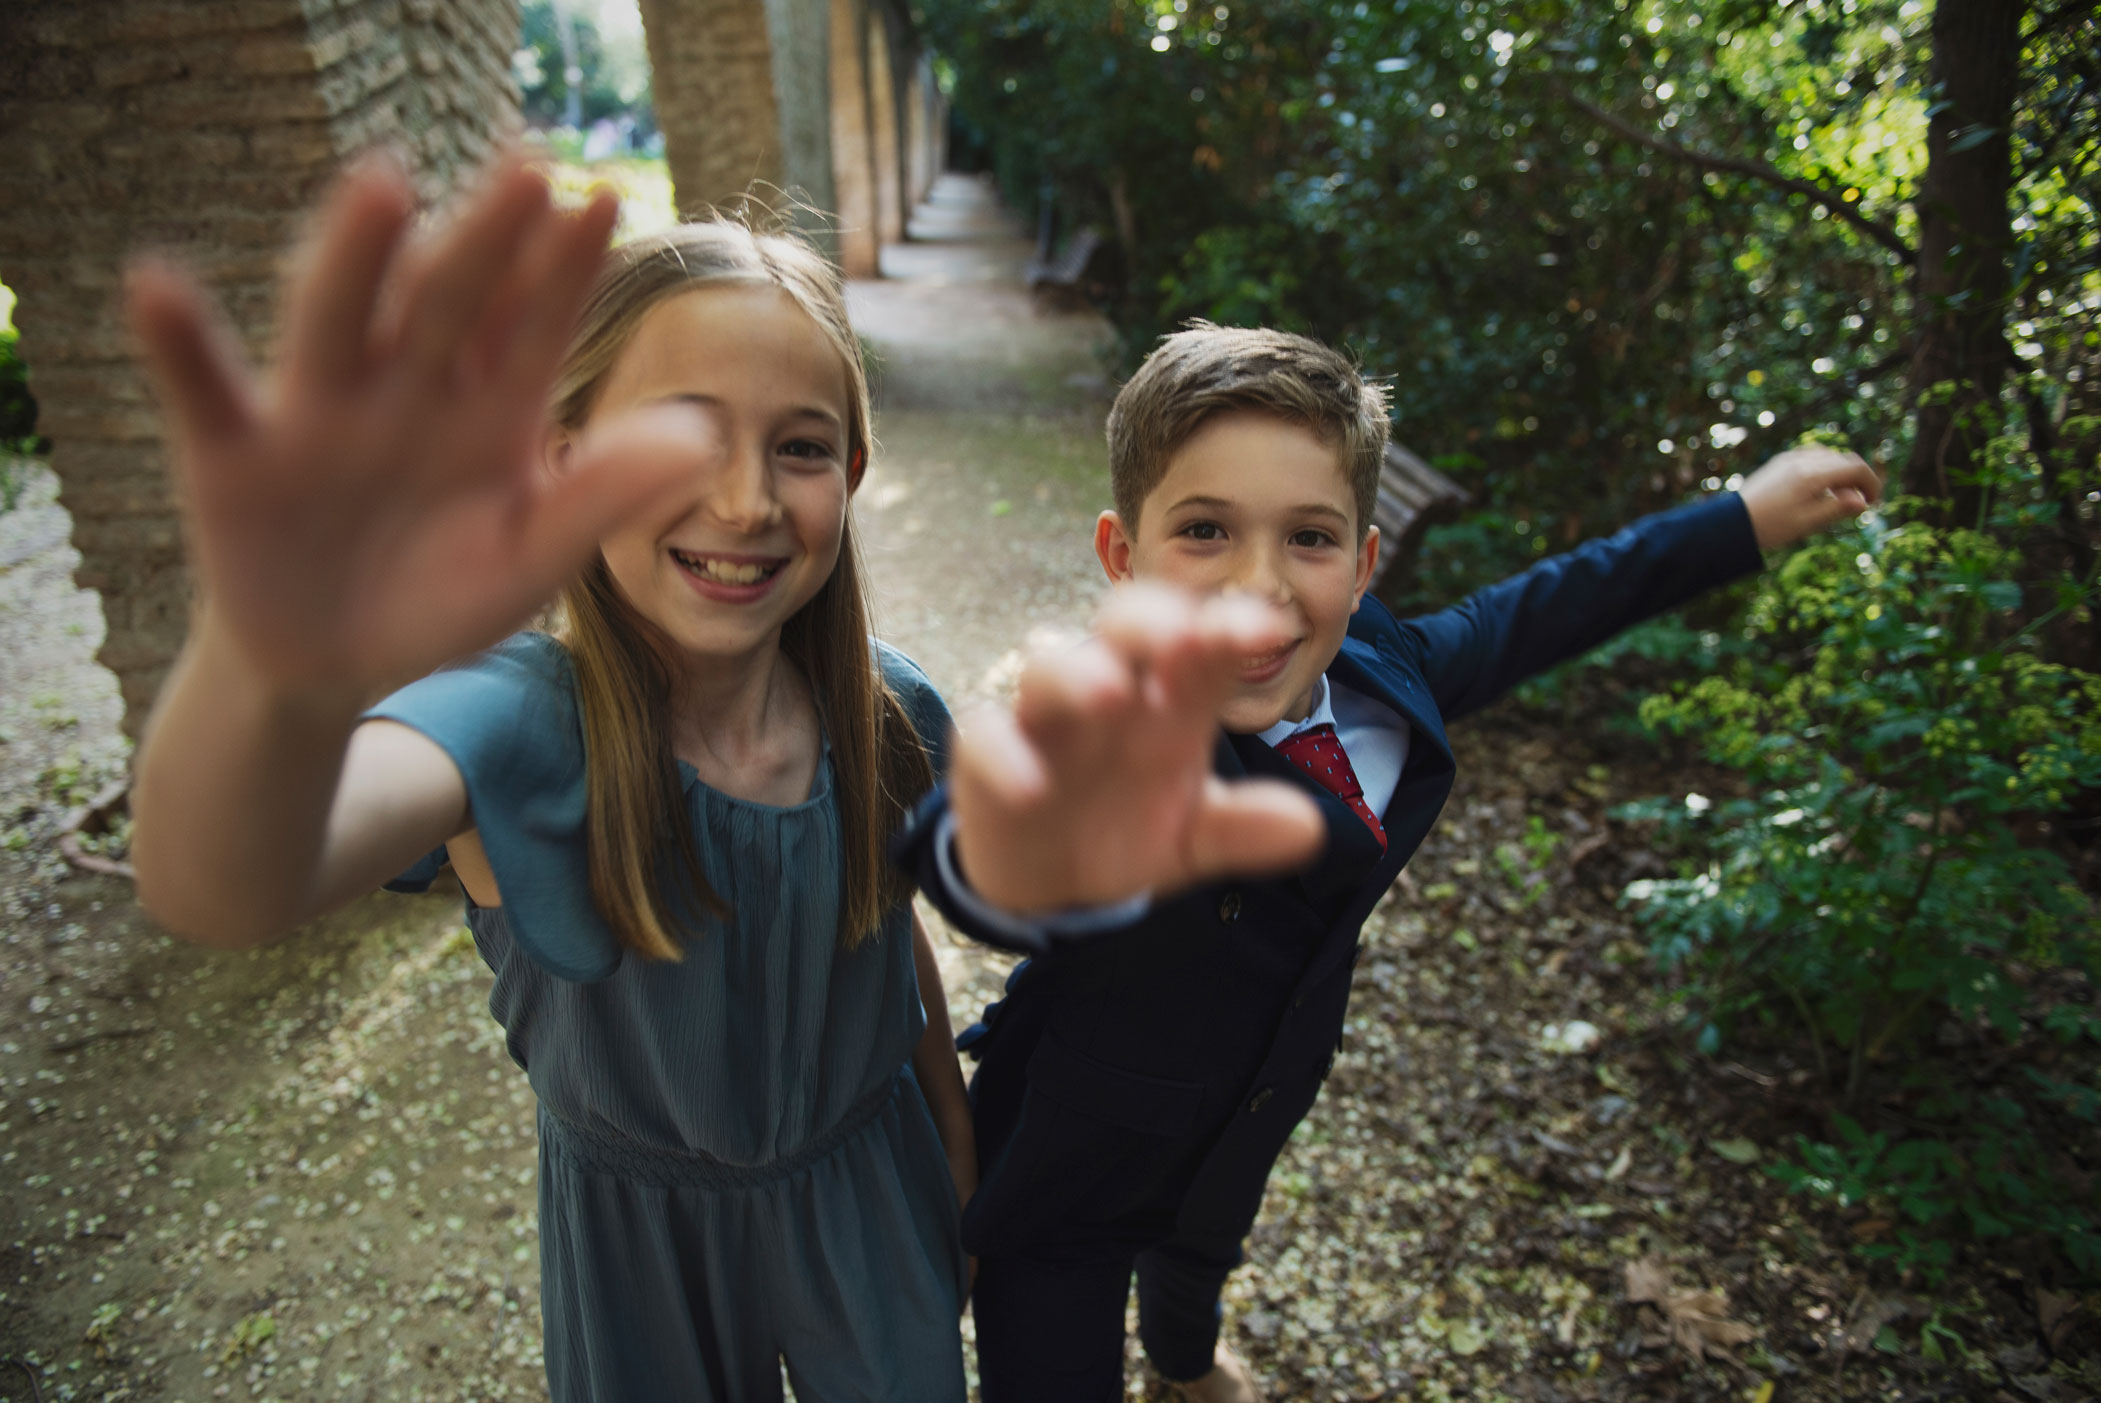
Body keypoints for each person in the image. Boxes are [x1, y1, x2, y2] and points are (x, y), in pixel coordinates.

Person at [125, 152, 980, 1402]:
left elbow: (885, 936)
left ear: (849, 473)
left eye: (798, 446)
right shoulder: (513, 719)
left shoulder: (891, 711)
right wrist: (264, 666)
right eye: (683, 437)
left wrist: (953, 1134)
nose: (746, 500)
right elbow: (223, 886)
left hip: (870, 1185)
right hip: (639, 1248)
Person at [896, 323, 1883, 1402]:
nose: (1258, 585)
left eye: (1308, 538)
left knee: (1200, 1249)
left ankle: (1182, 1360)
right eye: (1205, 530)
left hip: (1252, 1099)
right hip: (1069, 1160)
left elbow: (1548, 605)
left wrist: (1742, 519)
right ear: (1123, 557)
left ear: (1363, 565)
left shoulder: (1387, 675)